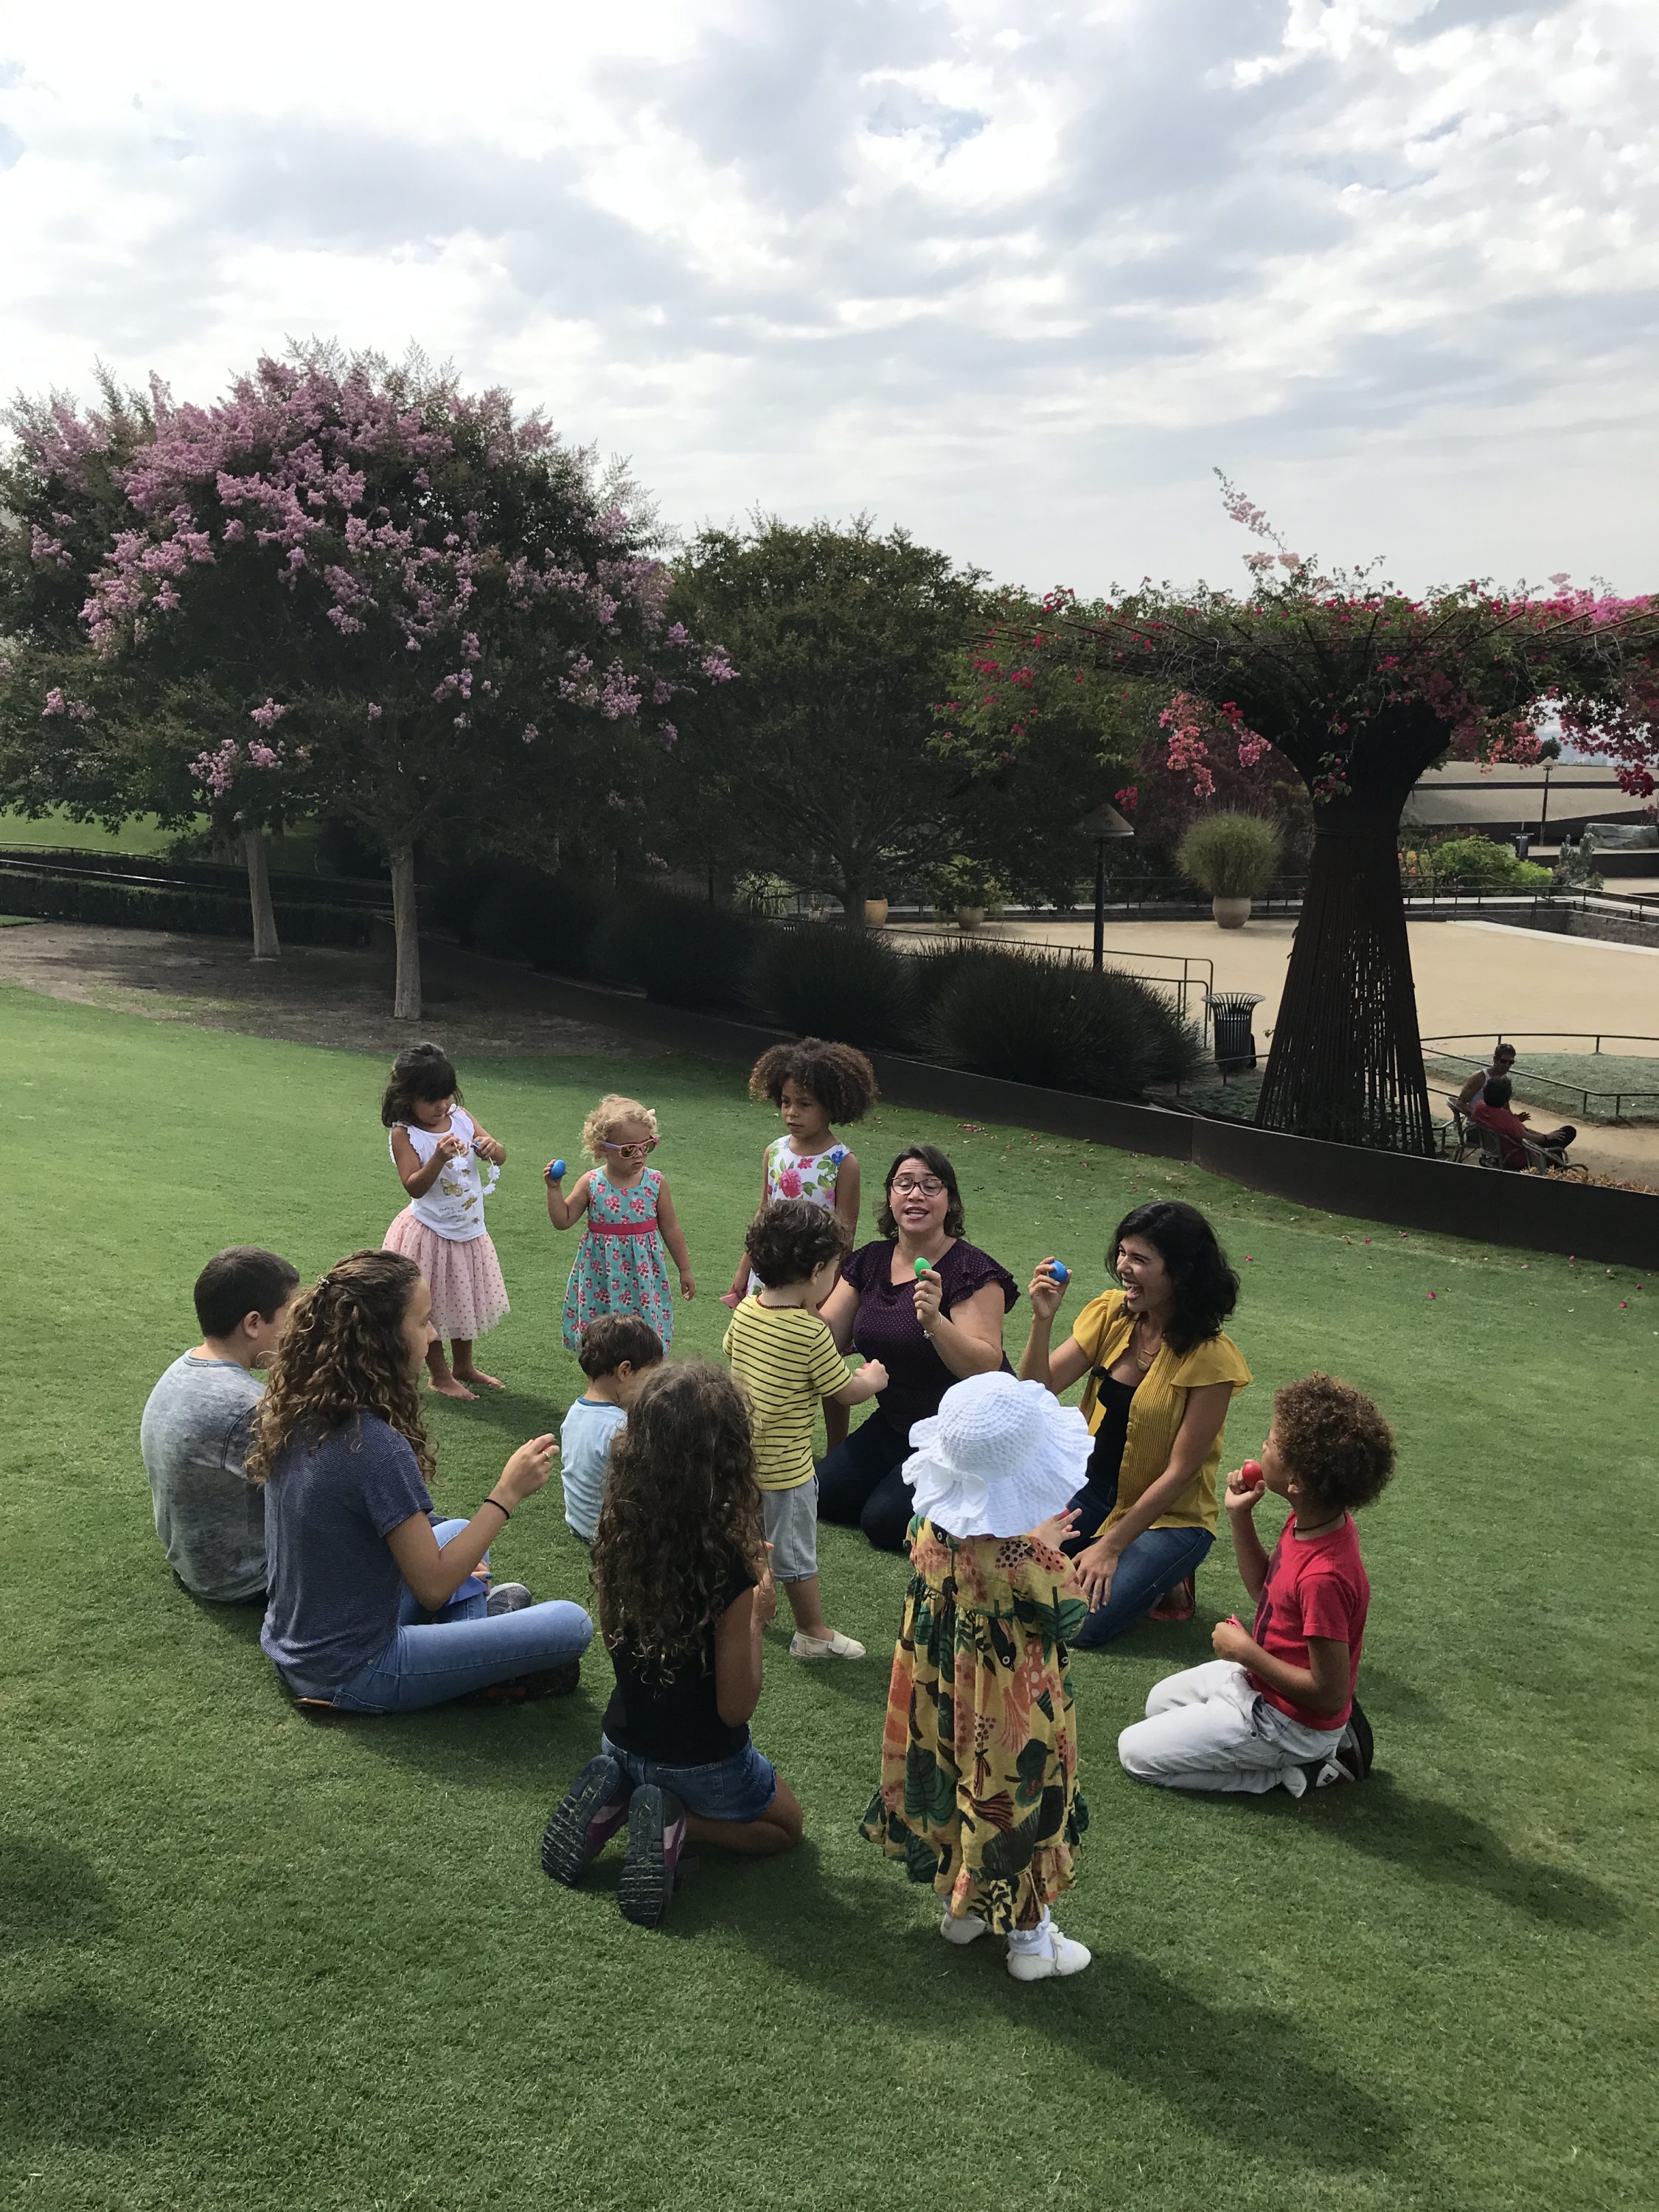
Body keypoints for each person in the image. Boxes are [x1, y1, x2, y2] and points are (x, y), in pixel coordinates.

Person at [250, 1249, 593, 1713]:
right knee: (571, 1624)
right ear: (381, 1339)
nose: (433, 1336)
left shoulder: (300, 1404)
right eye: (424, 1322)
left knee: (455, 1535)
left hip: (304, 1637)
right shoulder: (371, 1443)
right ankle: (473, 1665)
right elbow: (431, 1585)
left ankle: (467, 1640)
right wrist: (507, 1492)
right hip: (354, 1668)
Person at [540, 1363, 804, 1928]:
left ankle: (620, 1802)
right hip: (700, 1761)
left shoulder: (618, 1529)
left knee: (646, 1772)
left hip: (620, 1739)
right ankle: (675, 1820)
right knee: (786, 1829)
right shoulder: (728, 1570)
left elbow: (614, 1634)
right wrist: (756, 1613)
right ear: (729, 1458)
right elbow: (735, 1707)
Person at [860, 1371, 1093, 1983]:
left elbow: (960, 1562)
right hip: (1010, 1714)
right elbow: (1069, 1614)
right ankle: (1030, 1942)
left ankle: (959, 1911)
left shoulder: (925, 1529)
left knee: (949, 1780)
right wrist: (1043, 1547)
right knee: (1012, 1805)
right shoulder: (1026, 1562)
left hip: (941, 1699)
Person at [1117, 1373, 1391, 1798]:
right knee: (1158, 1703)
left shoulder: (1325, 1576)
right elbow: (1266, 1590)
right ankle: (1283, 1744)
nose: (1264, 1444)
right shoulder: (1313, 1520)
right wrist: (1239, 1516)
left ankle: (1301, 1769)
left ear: (1297, 1483)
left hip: (1287, 1721)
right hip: (1258, 1683)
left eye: (1273, 1442)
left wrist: (1246, 1652)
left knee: (1135, 1753)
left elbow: (1330, 1694)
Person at [1019, 1200, 1250, 1646]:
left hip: (1169, 1517)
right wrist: (1041, 1320)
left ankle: (1165, 1576)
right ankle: (1144, 1575)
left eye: (1140, 1259)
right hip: (1089, 1489)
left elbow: (1181, 1473)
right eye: (1123, 1253)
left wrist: (1110, 1547)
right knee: (1009, 1572)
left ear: (1180, 1273)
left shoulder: (1213, 1359)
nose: (1123, 1267)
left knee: (1079, 1627)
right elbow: (1035, 1392)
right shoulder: (1110, 1313)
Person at [817, 1146, 1018, 1553]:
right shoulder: (870, 1260)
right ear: (890, 1197)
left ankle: (984, 1491)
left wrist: (935, 1323)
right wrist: (784, 1304)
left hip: (962, 1432)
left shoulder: (973, 1271)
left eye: (931, 1186)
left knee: (885, 1523)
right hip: (897, 1422)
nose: (915, 1195)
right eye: (904, 1184)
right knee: (823, 1494)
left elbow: (985, 1366)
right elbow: (827, 1338)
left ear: (951, 1202)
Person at [723, 1200, 886, 1660]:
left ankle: (739, 1609)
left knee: (744, 1539)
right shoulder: (809, 1332)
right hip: (787, 1474)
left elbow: (731, 1349)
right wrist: (872, 1378)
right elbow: (844, 1391)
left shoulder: (747, 1311)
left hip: (741, 1462)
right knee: (795, 1557)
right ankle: (811, 1632)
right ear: (817, 1269)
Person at [723, 1037, 878, 1455]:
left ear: (832, 1104)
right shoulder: (774, 1152)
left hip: (818, 1279)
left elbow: (844, 1233)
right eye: (786, 1102)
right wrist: (744, 1269)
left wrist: (833, 1291)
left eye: (804, 1103)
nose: (791, 1112)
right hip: (771, 1273)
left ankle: (835, 1449)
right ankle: (757, 1438)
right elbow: (763, 1214)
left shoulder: (842, 1162)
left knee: (824, 1360)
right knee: (766, 1350)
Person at [140, 1245, 301, 1603]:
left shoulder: (184, 1367)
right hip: (244, 1577)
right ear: (254, 1323)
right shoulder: (243, 1406)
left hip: (194, 1559)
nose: (296, 1330)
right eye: (290, 1316)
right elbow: (313, 1495)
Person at [381, 1042, 509, 1399]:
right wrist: (437, 1157)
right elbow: (414, 1186)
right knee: (431, 1306)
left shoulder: (462, 1117)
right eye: (431, 1099)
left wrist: (491, 1149)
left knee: (462, 1297)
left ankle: (464, 1366)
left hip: (469, 1231)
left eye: (445, 1096)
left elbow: (499, 1153)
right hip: (429, 1234)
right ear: (407, 1098)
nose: (441, 1106)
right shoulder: (405, 1134)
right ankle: (439, 1374)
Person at [547, 1094, 694, 1352]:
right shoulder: (591, 1183)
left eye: (646, 1146)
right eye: (628, 1150)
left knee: (644, 1337)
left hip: (643, 1275)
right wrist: (554, 1189)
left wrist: (684, 1269)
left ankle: (640, 1387)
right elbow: (563, 1220)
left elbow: (671, 1228)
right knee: (602, 1338)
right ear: (603, 1148)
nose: (639, 1155)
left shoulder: (656, 1183)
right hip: (601, 1274)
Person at [560, 1314, 664, 1546]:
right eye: (649, 1378)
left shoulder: (574, 1413)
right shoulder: (620, 1427)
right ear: (625, 1371)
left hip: (578, 1522)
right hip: (610, 1535)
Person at [1469, 1074, 1576, 1169]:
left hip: (1495, 1152)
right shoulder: (1507, 1119)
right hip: (1519, 1157)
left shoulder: (1479, 1108)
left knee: (1557, 1141)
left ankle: (1559, 1167)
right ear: (1507, 1098)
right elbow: (1528, 1139)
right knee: (1566, 1134)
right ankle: (1560, 1173)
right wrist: (1546, 1137)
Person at [1453, 1040, 1517, 1113]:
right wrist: (1480, 1116)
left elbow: (1506, 1109)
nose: (1507, 1065)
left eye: (1511, 1062)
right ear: (1495, 1059)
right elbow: (1460, 1103)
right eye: (1504, 1061)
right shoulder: (1479, 1078)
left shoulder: (1503, 1082)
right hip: (1475, 1122)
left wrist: (1515, 1118)